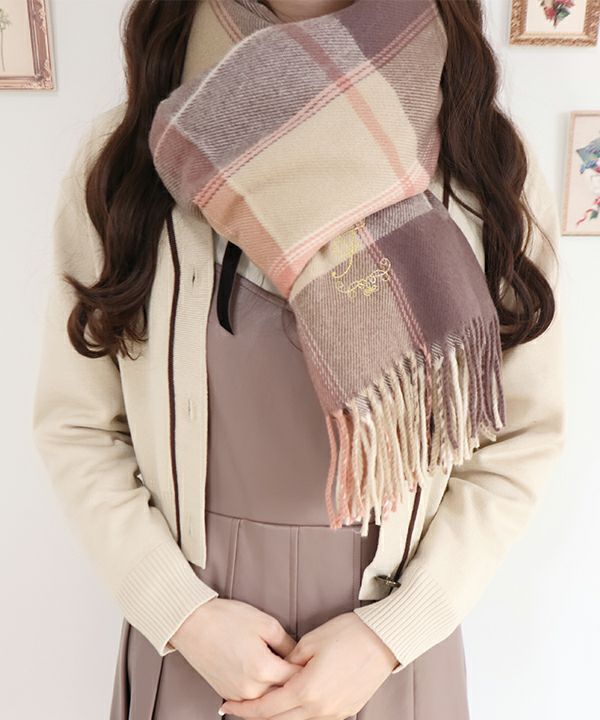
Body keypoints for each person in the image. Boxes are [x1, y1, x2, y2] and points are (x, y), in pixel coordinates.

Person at [31, 1, 566, 718]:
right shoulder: (129, 158)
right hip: (198, 647)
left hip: (389, 653)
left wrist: (391, 635)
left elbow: (522, 434)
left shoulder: (483, 162)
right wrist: (183, 614)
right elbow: (78, 425)